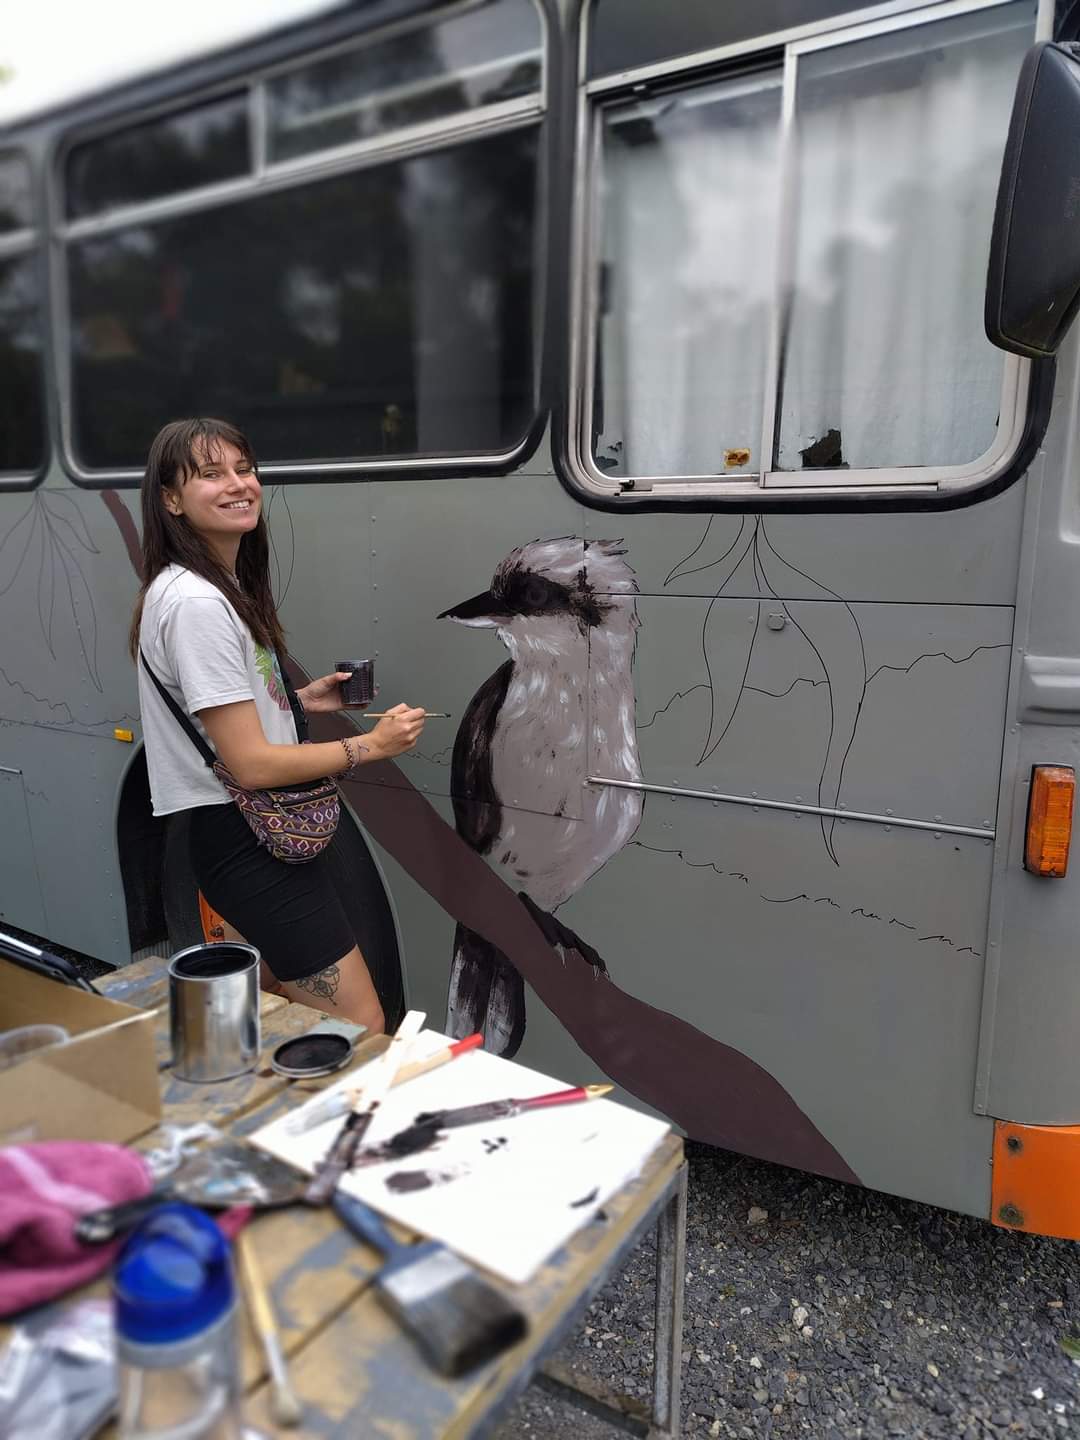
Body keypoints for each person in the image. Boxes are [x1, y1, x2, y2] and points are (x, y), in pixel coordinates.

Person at [131, 417, 425, 1033]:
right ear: (170, 500)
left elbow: (221, 710)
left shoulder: (212, 585)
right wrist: (369, 746)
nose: (238, 485)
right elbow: (252, 764)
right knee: (359, 1026)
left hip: (239, 835)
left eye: (244, 469)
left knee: (269, 1008)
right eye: (211, 475)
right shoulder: (198, 603)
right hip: (249, 841)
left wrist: (297, 700)